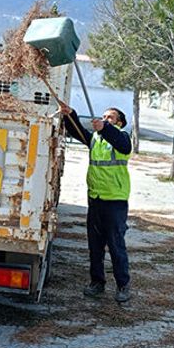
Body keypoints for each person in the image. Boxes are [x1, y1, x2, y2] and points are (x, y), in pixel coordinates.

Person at [59, 104, 132, 302]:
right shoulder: (96, 139)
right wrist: (70, 114)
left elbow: (123, 145)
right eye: (104, 116)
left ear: (120, 122)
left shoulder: (122, 137)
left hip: (115, 200)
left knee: (116, 245)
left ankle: (123, 286)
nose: (106, 119)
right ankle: (97, 282)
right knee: (95, 246)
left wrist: (105, 128)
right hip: (96, 199)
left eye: (111, 117)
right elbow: (78, 131)